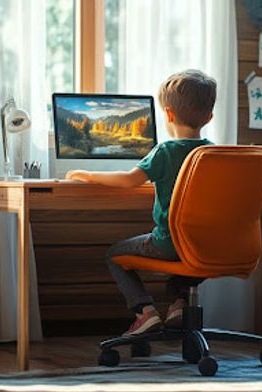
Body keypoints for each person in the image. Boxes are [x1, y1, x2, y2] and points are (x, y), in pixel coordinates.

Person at [66, 70, 216, 335]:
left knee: (115, 255)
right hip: (208, 245)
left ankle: (144, 312)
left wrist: (87, 174)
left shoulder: (165, 151)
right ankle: (179, 302)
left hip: (168, 244)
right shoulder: (214, 153)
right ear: (209, 117)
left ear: (168, 115)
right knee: (193, 255)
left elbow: (129, 180)